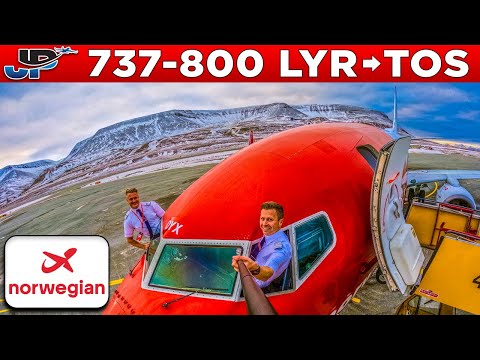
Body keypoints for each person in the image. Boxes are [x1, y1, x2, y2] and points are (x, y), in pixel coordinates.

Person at [232, 201, 292, 289]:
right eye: (262, 219)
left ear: (280, 222)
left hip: (255, 286)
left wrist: (253, 269)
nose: (264, 224)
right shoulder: (270, 234)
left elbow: (267, 273)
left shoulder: (282, 248)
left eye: (270, 219)